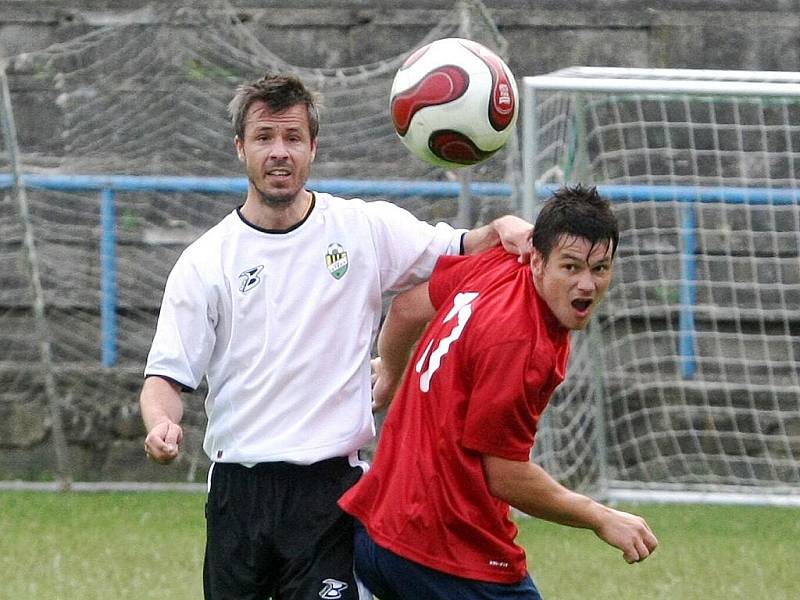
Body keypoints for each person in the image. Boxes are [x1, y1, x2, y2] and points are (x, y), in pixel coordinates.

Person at [139, 71, 532, 600]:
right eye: (264, 138)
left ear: (312, 147)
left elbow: (462, 248)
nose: (280, 152)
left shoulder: (362, 229)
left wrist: (502, 226)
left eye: (292, 138)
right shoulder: (205, 261)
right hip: (238, 491)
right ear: (240, 148)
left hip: (330, 493)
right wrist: (161, 423)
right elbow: (165, 375)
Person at [338, 185, 659, 600]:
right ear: (539, 261)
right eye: (571, 266)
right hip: (443, 547)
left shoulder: (502, 263)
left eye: (600, 268)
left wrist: (393, 372)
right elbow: (505, 475)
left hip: (380, 528)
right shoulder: (521, 345)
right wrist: (599, 516)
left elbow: (405, 309)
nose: (587, 284)